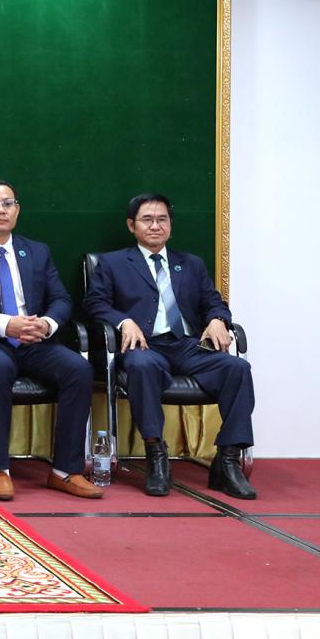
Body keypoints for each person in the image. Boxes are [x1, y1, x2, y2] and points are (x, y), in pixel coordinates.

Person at [83, 192, 257, 500]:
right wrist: (124, 321)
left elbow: (213, 301)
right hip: (144, 345)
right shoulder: (112, 263)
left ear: (171, 225)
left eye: (162, 219)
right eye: (147, 220)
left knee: (237, 368)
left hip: (188, 346)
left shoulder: (190, 264)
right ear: (132, 225)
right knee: (142, 366)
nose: (155, 226)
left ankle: (227, 460)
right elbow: (94, 304)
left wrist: (218, 318)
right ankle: (157, 456)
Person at [0, 181, 100, 501]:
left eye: (8, 203)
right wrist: (5, 324)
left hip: (35, 341)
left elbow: (61, 299)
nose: (1, 210)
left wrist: (46, 324)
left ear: (17, 210)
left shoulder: (37, 251)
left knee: (78, 369)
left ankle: (65, 471)